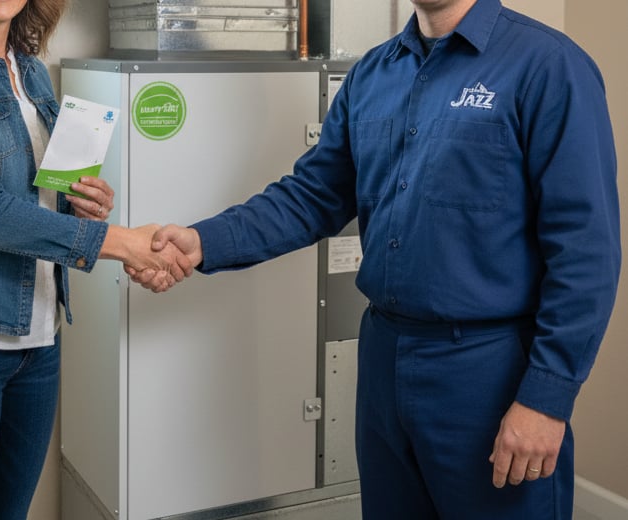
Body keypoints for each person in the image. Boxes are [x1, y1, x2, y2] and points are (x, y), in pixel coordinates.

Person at [130, 0, 621, 518]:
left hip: (489, 370)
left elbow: (586, 253)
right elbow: (313, 195)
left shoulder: (548, 66)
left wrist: (546, 398)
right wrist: (202, 242)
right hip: (385, 361)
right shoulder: (374, 72)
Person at [0, 0, 190, 518]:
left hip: (37, 340)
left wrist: (84, 207)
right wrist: (125, 244)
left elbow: (36, 205)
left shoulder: (31, 72)